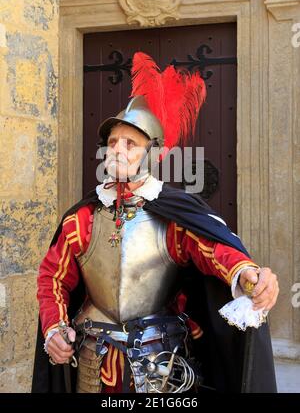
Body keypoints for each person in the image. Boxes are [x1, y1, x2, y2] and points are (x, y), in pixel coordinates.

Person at [32, 52, 278, 393]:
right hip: (92, 358)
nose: (117, 149)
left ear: (153, 153)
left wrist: (246, 274)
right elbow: (52, 279)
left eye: (130, 143)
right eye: (112, 142)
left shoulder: (172, 216)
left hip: (160, 361)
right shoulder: (83, 217)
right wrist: (55, 328)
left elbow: (215, 250)